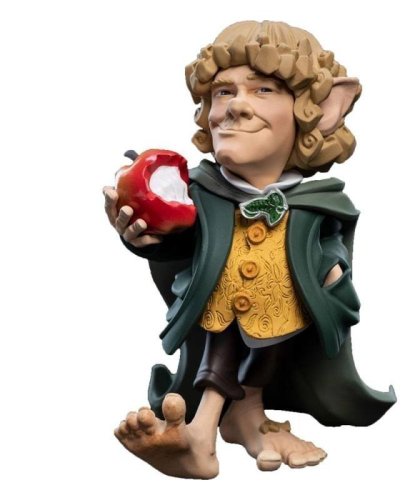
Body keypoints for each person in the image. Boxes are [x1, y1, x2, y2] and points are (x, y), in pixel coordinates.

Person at [103, 20, 396, 479]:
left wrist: (329, 273)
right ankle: (205, 433)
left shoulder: (317, 201)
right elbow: (181, 241)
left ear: (320, 112)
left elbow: (330, 243)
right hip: (218, 314)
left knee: (271, 316)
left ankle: (240, 418)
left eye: (263, 90)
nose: (235, 105)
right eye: (223, 92)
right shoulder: (197, 191)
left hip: (283, 316)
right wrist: (146, 233)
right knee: (228, 314)